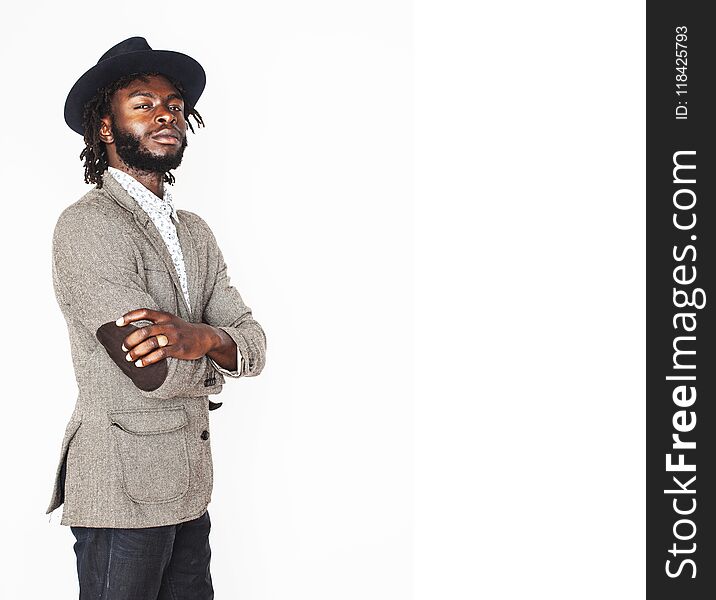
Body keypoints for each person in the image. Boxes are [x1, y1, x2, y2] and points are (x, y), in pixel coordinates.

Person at [46, 36, 267, 599]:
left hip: (191, 490)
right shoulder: (89, 227)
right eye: (142, 104)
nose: (164, 114)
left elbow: (256, 345)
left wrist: (198, 337)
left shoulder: (194, 230)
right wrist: (219, 352)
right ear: (105, 127)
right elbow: (151, 371)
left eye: (172, 105)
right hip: (121, 495)